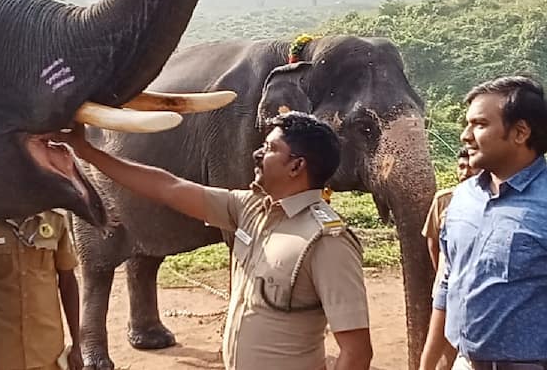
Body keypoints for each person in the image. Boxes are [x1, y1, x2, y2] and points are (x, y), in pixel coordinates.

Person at [57, 111, 372, 370]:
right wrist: (88, 153)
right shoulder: (249, 207)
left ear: (297, 166)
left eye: (271, 148)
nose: (258, 153)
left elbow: (356, 352)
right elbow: (169, 187)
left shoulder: (327, 240)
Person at [420, 76, 547, 370]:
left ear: (520, 132)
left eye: (479, 124)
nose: (466, 135)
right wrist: (428, 363)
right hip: (464, 363)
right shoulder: (462, 198)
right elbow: (449, 283)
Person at [0, 210, 83, 370]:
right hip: (0, 354)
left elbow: (68, 283)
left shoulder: (55, 220)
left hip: (48, 353)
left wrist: (77, 344)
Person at [421, 147, 478, 369]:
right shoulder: (444, 200)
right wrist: (441, 275)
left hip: (474, 291)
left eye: (472, 166)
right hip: (447, 286)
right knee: (445, 344)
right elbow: (433, 242)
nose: (466, 172)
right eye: (462, 166)